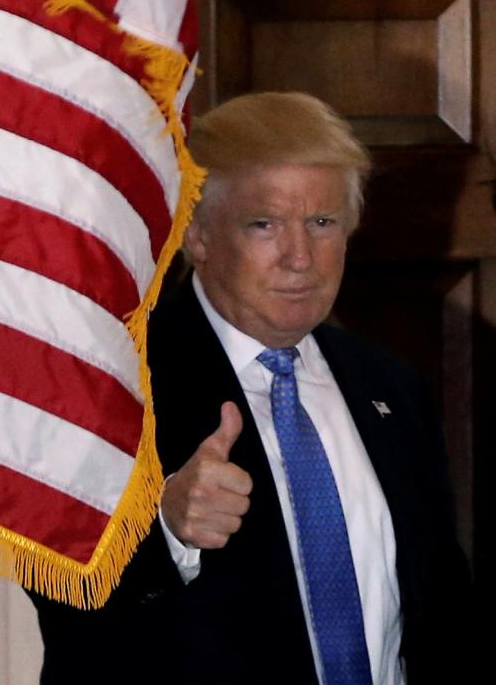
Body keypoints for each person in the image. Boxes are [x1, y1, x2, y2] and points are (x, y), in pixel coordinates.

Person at [32, 92, 472, 684]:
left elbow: (441, 611)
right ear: (200, 237)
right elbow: (67, 617)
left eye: (322, 223)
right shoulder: (107, 387)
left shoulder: (391, 387)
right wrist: (168, 532)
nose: (300, 259)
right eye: (264, 224)